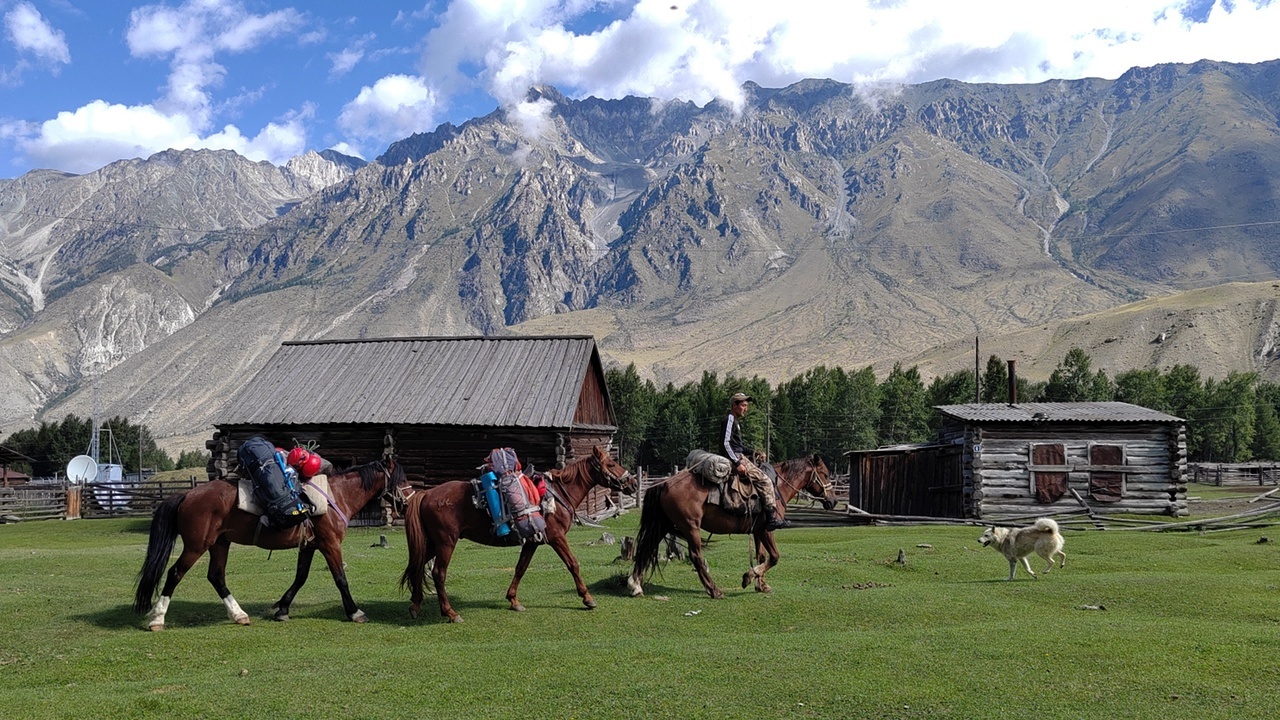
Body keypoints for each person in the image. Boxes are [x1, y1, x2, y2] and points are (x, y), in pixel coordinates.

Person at [723, 392, 788, 530]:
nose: (745, 409)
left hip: (737, 455)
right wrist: (737, 463)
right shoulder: (730, 419)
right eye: (743, 405)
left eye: (746, 406)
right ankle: (771, 519)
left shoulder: (735, 421)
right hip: (735, 458)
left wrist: (754, 452)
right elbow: (726, 444)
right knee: (765, 480)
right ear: (734, 405)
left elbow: (738, 446)